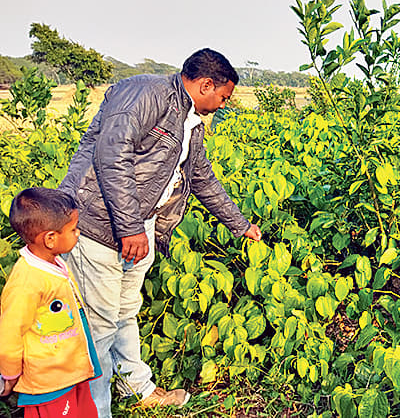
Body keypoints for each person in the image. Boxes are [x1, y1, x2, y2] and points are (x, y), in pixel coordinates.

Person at [58, 48, 262, 417]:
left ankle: (135, 388)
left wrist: (240, 224)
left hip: (139, 228)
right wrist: (131, 226)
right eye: (224, 96)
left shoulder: (191, 122)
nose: (223, 104)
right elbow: (111, 155)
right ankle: (95, 409)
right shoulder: (144, 93)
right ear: (205, 85)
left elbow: (200, 177)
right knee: (99, 323)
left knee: (124, 311)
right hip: (98, 224)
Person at [0, 187, 101, 418]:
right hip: (49, 381)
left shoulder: (54, 263)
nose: (78, 233)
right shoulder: (27, 280)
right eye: (73, 229)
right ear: (50, 238)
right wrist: (10, 373)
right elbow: (10, 330)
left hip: (70, 371)